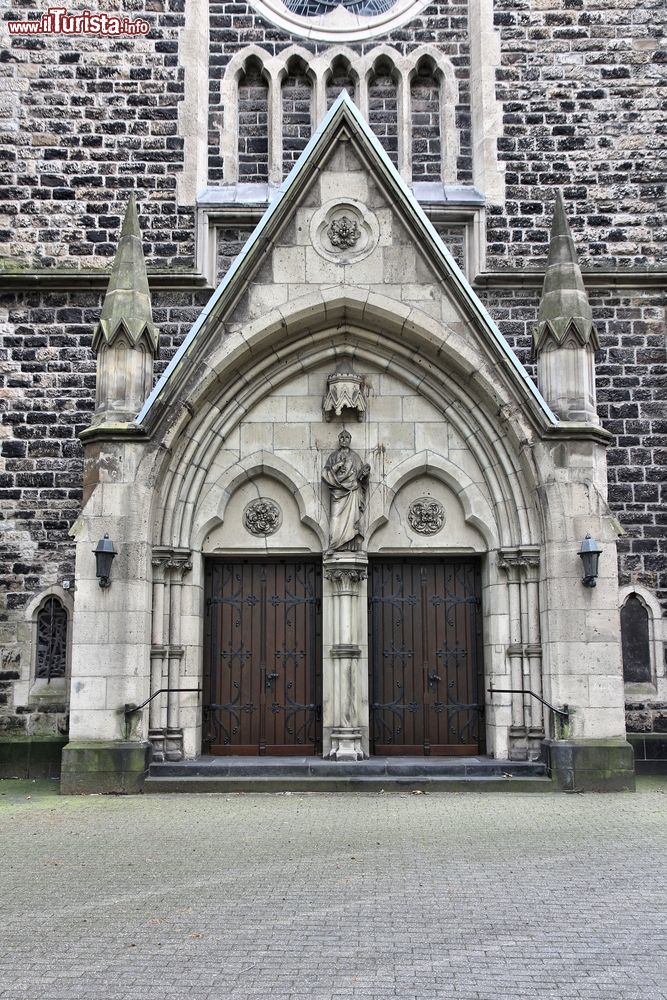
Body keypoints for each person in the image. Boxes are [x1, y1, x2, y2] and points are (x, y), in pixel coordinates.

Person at [322, 430, 370, 553]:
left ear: (350, 439)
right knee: (335, 517)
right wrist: (337, 465)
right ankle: (334, 545)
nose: (344, 440)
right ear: (339, 440)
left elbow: (361, 478)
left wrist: (364, 475)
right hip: (338, 492)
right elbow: (325, 473)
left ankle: (352, 545)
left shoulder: (355, 457)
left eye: (347, 437)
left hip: (353, 491)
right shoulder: (333, 456)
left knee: (353, 518)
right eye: (342, 437)